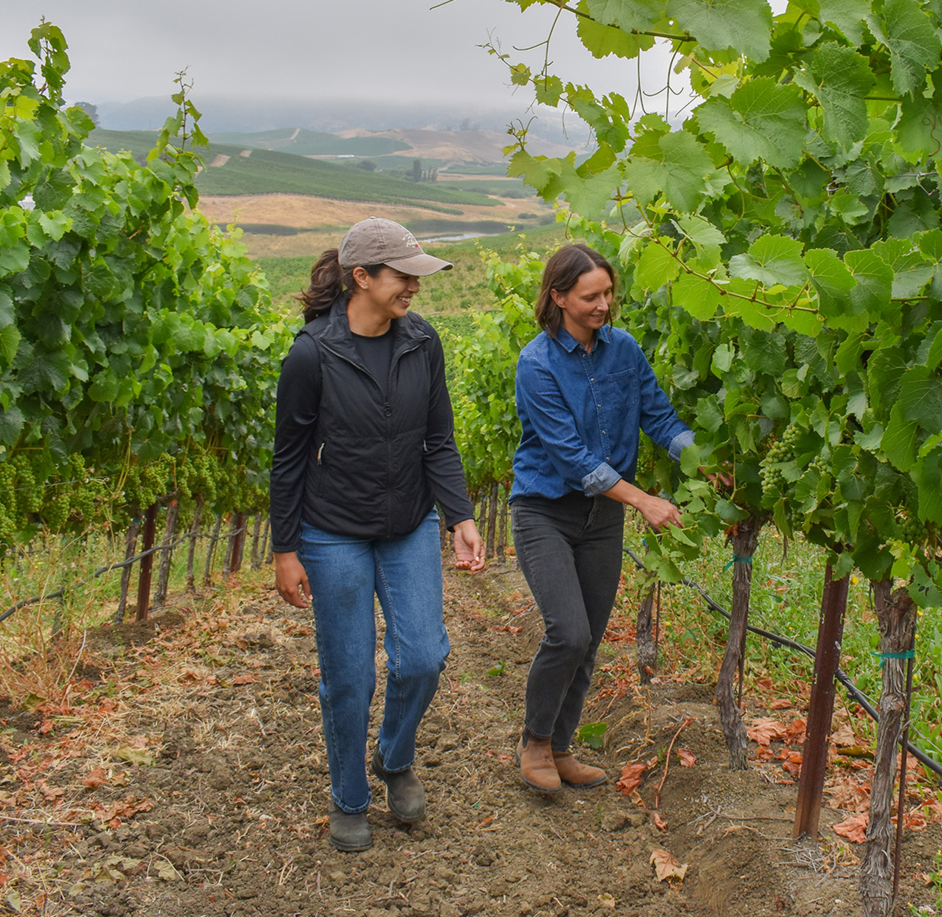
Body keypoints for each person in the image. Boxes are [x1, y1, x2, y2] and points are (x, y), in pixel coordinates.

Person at [270, 217, 486, 852]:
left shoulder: (423, 341)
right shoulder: (312, 353)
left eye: (417, 275)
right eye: (403, 275)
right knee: (350, 676)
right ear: (361, 277)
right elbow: (288, 459)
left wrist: (461, 517)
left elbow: (439, 439)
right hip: (332, 530)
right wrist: (285, 549)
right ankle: (349, 797)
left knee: (422, 657)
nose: (414, 286)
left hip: (408, 521)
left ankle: (394, 758)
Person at [509, 243, 695, 792]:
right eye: (591, 296)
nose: (603, 305)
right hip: (545, 510)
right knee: (567, 632)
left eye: (609, 293)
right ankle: (534, 742)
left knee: (589, 639)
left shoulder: (625, 350)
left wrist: (702, 458)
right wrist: (643, 500)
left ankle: (561, 747)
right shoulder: (536, 364)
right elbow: (572, 458)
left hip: (602, 518)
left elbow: (660, 417)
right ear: (559, 297)